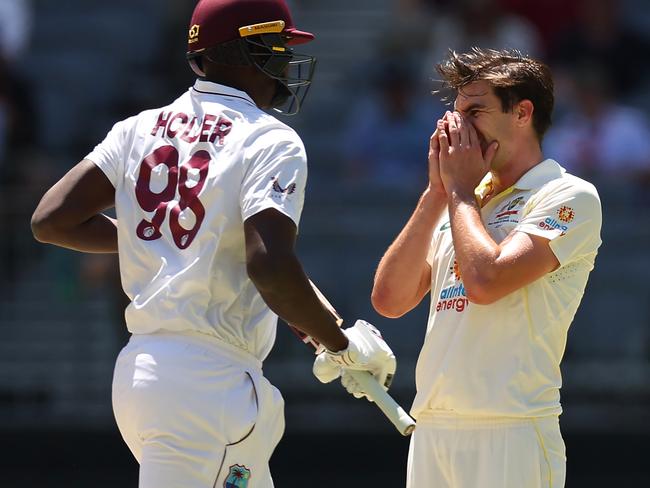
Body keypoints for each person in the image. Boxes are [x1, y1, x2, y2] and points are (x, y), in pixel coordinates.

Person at [30, 1, 396, 487]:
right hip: (209, 384)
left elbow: (51, 219)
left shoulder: (138, 127)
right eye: (280, 46)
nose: (286, 61)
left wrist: (164, 242)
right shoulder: (270, 139)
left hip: (142, 376)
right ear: (251, 49)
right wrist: (340, 344)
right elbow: (268, 265)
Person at [372, 48, 602, 488]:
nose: (457, 126)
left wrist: (458, 191)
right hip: (433, 427)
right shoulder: (462, 198)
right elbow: (390, 300)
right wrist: (437, 193)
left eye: (474, 110)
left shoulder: (569, 194)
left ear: (522, 113)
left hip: (512, 428)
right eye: (456, 112)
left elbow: (485, 281)